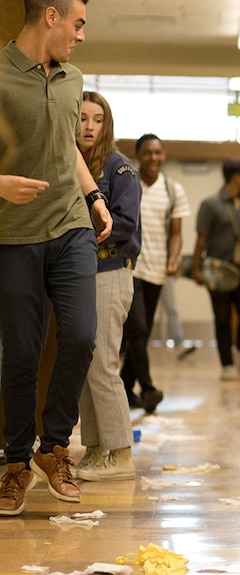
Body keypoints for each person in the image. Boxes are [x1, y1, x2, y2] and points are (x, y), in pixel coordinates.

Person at [0, 0, 113, 516]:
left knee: (81, 335)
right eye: (78, 23)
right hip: (14, 233)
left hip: (70, 225)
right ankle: (17, 462)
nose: (81, 36)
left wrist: (94, 197)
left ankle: (55, 448)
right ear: (51, 16)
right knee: (22, 351)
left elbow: (68, 146)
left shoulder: (73, 77)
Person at [75, 91, 141, 481]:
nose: (88, 126)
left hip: (112, 272)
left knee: (103, 365)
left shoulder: (120, 170)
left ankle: (120, 454)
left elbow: (125, 223)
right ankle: (95, 447)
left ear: (107, 125)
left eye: (97, 119)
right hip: (82, 275)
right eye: (82, 118)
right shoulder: (74, 164)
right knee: (83, 365)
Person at [121, 133, 191, 411]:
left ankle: (126, 388)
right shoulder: (128, 184)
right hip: (130, 267)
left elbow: (176, 233)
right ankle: (148, 387)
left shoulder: (173, 190)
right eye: (148, 152)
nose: (154, 158)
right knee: (137, 328)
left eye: (158, 152)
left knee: (142, 332)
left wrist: (173, 259)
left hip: (158, 271)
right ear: (138, 155)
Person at [192, 157, 240, 381]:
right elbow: (201, 239)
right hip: (218, 272)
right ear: (236, 177)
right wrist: (196, 269)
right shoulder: (211, 204)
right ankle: (227, 364)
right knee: (222, 318)